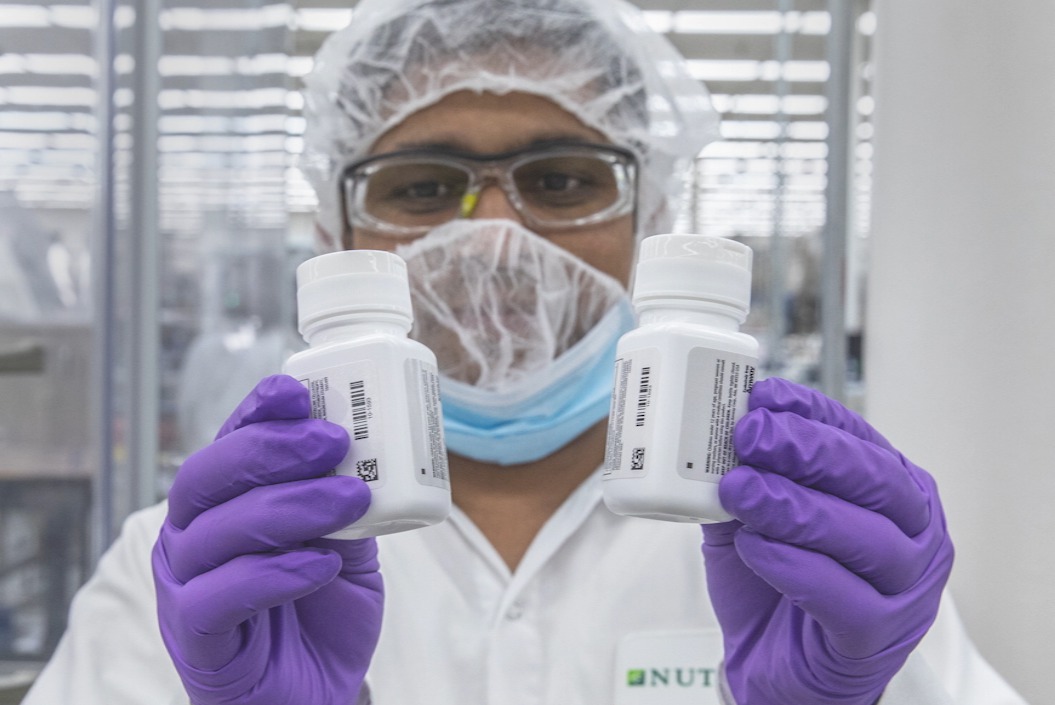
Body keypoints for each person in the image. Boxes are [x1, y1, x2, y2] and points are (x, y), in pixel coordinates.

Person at [23, 1, 1028, 704]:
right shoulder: (201, 577)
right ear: (335, 234)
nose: (495, 237)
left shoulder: (810, 549)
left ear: (655, 215)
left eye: (560, 180)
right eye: (422, 186)